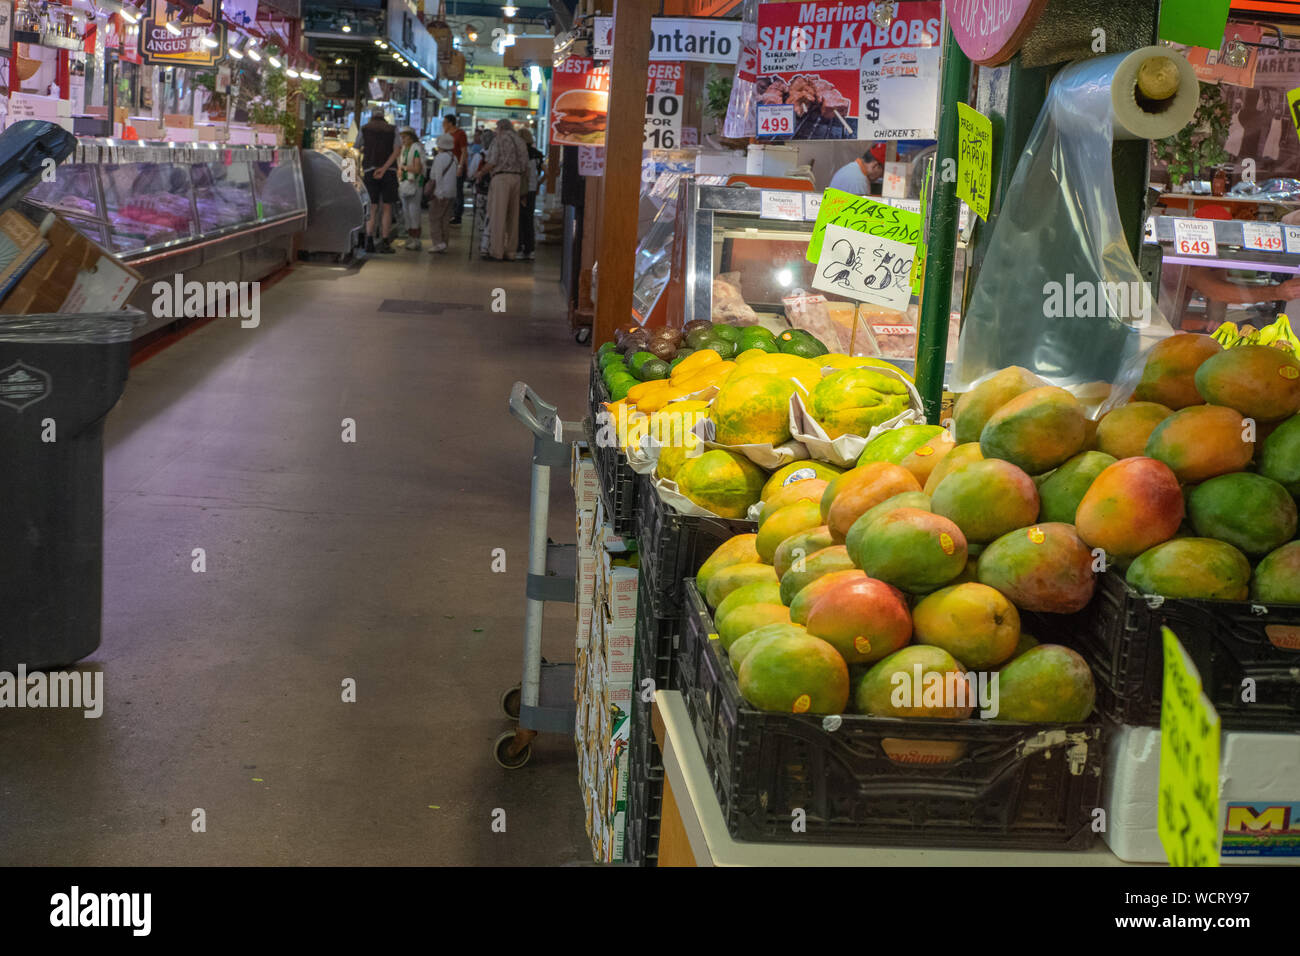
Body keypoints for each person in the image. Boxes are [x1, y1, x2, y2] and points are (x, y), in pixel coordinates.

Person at [476, 119, 529, 261]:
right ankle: (511, 252)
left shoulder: (498, 139)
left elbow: (492, 161)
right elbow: (525, 164)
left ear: (500, 127)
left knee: (498, 216)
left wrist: (481, 172)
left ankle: (496, 251)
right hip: (517, 178)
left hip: (501, 178)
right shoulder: (520, 141)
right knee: (513, 217)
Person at [355, 110, 401, 253]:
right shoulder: (393, 130)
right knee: (387, 208)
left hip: (369, 170)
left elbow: (355, 148)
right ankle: (386, 242)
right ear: (384, 118)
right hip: (390, 172)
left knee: (372, 207)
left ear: (371, 117)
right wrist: (385, 168)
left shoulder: (364, 129)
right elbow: (397, 150)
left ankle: (369, 241)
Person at [425, 133, 458, 254]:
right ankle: (444, 243)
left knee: (434, 218)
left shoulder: (440, 158)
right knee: (445, 219)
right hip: (451, 193)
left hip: (441, 193)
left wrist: (439, 193)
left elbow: (438, 177)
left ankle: (438, 243)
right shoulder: (454, 157)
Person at [517, 128, 545, 261]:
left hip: (521, 189)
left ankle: (519, 246)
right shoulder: (537, 154)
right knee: (529, 219)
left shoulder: (520, 154)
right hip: (532, 190)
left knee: (518, 219)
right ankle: (530, 249)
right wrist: (539, 183)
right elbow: (549, 172)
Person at [396, 127, 424, 250]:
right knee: (406, 212)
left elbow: (417, 169)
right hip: (405, 183)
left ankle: (416, 239)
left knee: (413, 212)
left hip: (415, 184)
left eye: (405, 137)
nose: (403, 139)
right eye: (402, 137)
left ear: (411, 137)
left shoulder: (416, 149)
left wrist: (404, 168)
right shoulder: (404, 149)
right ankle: (410, 238)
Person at [443, 114, 469, 225]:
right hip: (447, 167)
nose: (443, 125)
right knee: (449, 190)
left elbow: (464, 151)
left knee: (458, 191)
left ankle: (457, 215)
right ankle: (449, 213)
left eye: (444, 122)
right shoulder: (446, 134)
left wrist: (460, 166)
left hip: (457, 166)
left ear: (450, 123)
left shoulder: (460, 134)